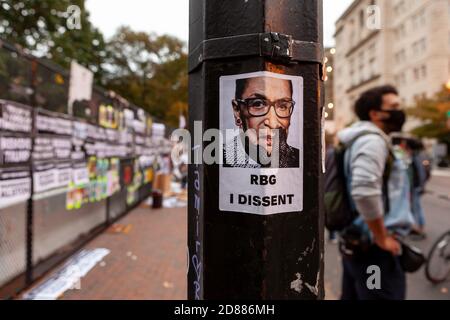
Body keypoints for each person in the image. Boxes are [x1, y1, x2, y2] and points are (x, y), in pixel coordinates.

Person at [337, 85, 415, 300]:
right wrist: (381, 237)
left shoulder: (357, 139)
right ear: (374, 113)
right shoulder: (372, 141)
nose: (400, 111)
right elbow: (363, 190)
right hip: (373, 249)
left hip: (357, 239)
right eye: (394, 107)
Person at [223, 76, 299, 168]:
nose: (273, 123)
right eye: (258, 104)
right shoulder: (216, 159)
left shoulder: (301, 160)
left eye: (282, 106)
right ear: (237, 111)